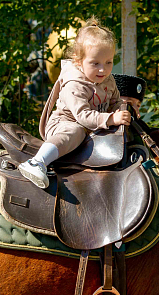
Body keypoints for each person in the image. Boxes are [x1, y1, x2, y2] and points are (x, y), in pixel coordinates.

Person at [19, 17, 131, 188]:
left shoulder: (107, 80)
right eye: (95, 63)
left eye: (109, 62)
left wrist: (123, 112)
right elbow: (83, 116)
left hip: (91, 125)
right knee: (75, 131)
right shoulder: (74, 84)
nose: (103, 69)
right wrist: (110, 119)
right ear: (79, 62)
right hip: (65, 123)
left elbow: (115, 102)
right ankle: (37, 162)